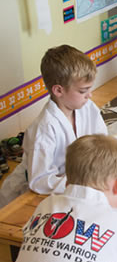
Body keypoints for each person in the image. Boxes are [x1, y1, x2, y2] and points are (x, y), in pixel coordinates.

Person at [0, 45, 107, 208]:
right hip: (29, 196)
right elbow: (39, 181)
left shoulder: (88, 107)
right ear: (58, 90)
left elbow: (102, 141)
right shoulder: (44, 128)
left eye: (89, 89)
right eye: (83, 91)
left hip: (76, 183)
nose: (89, 95)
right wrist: (80, 183)